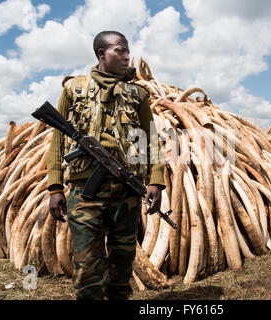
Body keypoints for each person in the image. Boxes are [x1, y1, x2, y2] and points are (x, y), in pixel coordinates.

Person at [46, 31, 165, 300]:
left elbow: (150, 140)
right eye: (120, 51)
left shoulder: (137, 94)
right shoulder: (73, 89)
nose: (127, 56)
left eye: (128, 51)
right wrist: (54, 187)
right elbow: (57, 140)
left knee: (122, 267)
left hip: (127, 193)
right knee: (87, 267)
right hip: (86, 193)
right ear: (102, 54)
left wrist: (156, 180)